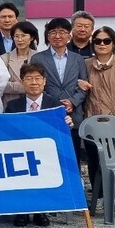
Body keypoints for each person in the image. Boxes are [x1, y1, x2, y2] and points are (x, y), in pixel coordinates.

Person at [4, 63, 68, 227]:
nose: (34, 83)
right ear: (22, 82)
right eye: (29, 79)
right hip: (20, 151)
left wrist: (67, 122)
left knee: (44, 171)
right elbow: (5, 131)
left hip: (45, 154)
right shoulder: (13, 106)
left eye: (37, 78)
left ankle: (41, 211)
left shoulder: (55, 106)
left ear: (44, 81)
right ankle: (22, 211)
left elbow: (60, 133)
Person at [82, 26, 115, 213]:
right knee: (95, 162)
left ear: (113, 43)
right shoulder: (86, 64)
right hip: (91, 123)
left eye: (106, 41)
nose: (102, 44)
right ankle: (99, 197)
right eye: (98, 41)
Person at [30, 18, 89, 149]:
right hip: (48, 110)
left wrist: (72, 102)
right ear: (48, 36)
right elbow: (36, 85)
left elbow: (84, 86)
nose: (57, 36)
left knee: (74, 154)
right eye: (53, 32)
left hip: (73, 113)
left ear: (69, 36)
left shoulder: (78, 59)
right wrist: (54, 103)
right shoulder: (37, 58)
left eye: (62, 32)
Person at [1, 21, 40, 107]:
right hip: (10, 104)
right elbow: (1, 84)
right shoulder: (4, 58)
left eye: (23, 36)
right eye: (16, 36)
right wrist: (24, 87)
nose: (20, 40)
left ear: (31, 37)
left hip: (34, 104)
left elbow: (44, 82)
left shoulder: (39, 57)